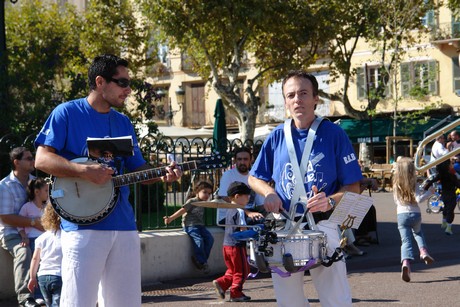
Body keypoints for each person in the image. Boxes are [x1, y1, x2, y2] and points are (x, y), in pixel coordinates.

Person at [34, 54, 182, 307]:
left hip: (124, 224)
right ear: (100, 82)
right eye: (122, 82)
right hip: (82, 226)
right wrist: (83, 172)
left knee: (126, 303)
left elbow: (138, 169)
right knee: (77, 302)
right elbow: (42, 160)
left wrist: (161, 174)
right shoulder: (67, 113)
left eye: (129, 83)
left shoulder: (124, 122)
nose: (129, 89)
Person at [248, 70, 362, 307]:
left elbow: (354, 186)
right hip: (285, 226)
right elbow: (254, 178)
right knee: (288, 301)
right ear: (286, 101)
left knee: (335, 299)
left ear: (315, 98)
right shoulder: (276, 136)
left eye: (303, 93)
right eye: (291, 95)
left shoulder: (334, 134)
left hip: (324, 224)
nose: (297, 99)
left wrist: (330, 201)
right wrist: (268, 192)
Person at [0, 147, 43, 307]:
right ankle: (25, 299)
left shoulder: (35, 182)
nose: (33, 161)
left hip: (37, 231)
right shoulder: (5, 186)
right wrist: (33, 223)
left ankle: (49, 292)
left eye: (33, 157)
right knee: (24, 252)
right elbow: (5, 218)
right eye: (29, 158)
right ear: (16, 162)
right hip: (12, 233)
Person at [393, 157, 435, 282]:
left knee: (405, 241)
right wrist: (429, 193)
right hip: (415, 214)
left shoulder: (396, 185)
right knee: (418, 233)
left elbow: (396, 201)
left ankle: (406, 262)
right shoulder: (415, 184)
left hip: (401, 214)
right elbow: (418, 199)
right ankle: (423, 251)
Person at [163, 180, 215, 274]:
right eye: (204, 192)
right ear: (197, 192)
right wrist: (170, 218)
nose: (207, 195)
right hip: (190, 225)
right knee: (199, 240)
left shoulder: (204, 202)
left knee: (210, 239)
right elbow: (182, 210)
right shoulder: (192, 201)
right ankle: (202, 262)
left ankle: (200, 260)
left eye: (209, 193)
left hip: (200, 226)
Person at [212, 181, 252, 302]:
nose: (248, 197)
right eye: (246, 195)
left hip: (226, 246)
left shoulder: (229, 210)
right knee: (243, 271)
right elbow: (242, 229)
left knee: (233, 270)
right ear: (237, 196)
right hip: (237, 246)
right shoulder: (240, 211)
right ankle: (236, 293)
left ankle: (222, 283)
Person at [217, 146, 265, 225]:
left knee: (268, 222)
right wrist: (247, 213)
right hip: (230, 216)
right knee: (256, 222)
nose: (242, 162)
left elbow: (261, 203)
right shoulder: (228, 175)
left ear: (251, 160)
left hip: (249, 213)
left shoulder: (254, 177)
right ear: (235, 160)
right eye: (239, 159)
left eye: (245, 159)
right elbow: (226, 199)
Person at [28, 203, 62, 307]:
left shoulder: (41, 238)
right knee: (57, 304)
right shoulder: (66, 237)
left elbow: (35, 259)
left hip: (42, 276)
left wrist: (32, 277)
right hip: (59, 276)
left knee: (48, 303)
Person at [423, 159, 460, 235]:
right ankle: (448, 228)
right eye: (451, 164)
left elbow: (431, 181)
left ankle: (444, 221)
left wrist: (426, 188)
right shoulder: (452, 176)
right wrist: (457, 176)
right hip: (451, 195)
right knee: (450, 211)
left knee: (445, 207)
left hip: (444, 194)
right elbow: (458, 185)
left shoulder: (441, 175)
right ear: (448, 166)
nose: (452, 165)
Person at [18, 178, 48, 252]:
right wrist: (24, 237)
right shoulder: (27, 207)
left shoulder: (48, 207)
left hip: (47, 240)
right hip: (33, 240)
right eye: (46, 191)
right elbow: (19, 224)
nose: (48, 193)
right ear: (37, 192)